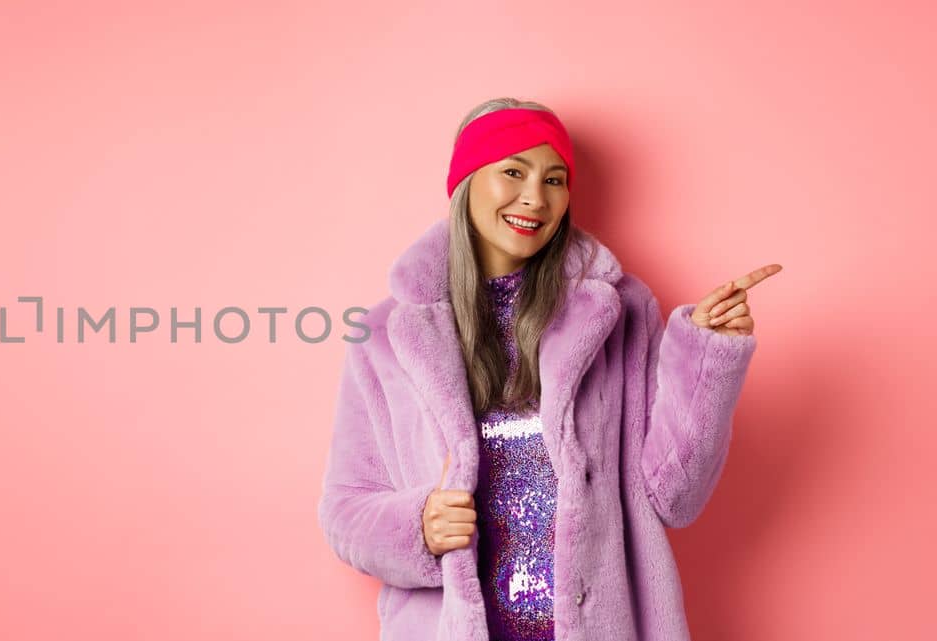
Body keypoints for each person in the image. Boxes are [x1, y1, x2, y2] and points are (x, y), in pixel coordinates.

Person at [315, 97, 780, 641]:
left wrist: (707, 357)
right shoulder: (387, 337)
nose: (535, 198)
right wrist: (418, 527)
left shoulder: (618, 313)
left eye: (555, 179)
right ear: (467, 182)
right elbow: (345, 509)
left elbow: (673, 496)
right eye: (513, 171)